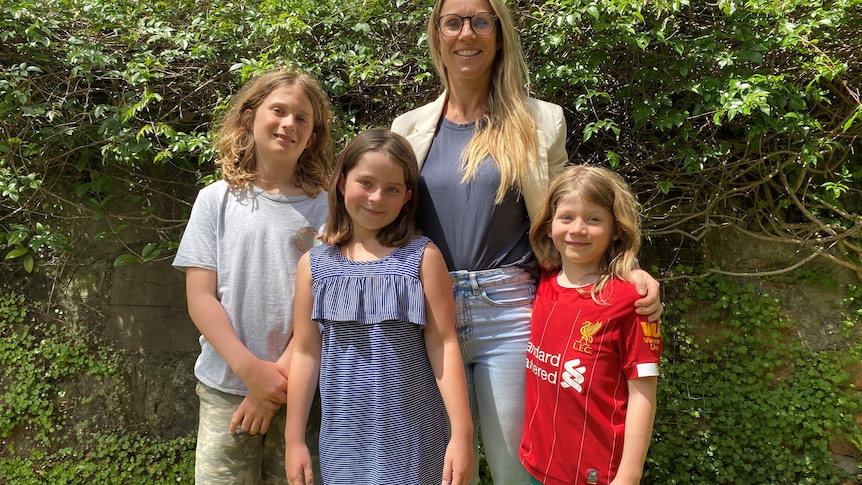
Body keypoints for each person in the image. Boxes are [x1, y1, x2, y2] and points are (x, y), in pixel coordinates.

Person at [391, 0, 663, 482]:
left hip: (511, 313)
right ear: (437, 34)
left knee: (517, 470)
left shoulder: (541, 121)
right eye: (452, 22)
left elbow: (569, 211)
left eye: (479, 20)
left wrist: (628, 266)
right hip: (429, 317)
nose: (466, 33)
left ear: (498, 32)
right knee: (442, 471)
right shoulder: (407, 129)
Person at [284, 128, 474, 485]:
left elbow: (444, 343)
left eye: (391, 189)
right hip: (344, 440)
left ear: (407, 197)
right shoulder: (313, 265)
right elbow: (306, 352)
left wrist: (461, 434)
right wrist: (293, 440)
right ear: (341, 183)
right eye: (366, 182)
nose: (376, 197)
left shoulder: (423, 258)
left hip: (414, 439)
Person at [172, 69, 333, 484]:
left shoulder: (330, 208)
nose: (288, 124)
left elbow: (328, 301)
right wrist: (251, 373)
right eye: (278, 110)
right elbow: (201, 297)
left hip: (302, 391)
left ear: (313, 136)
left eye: (302, 119)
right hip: (227, 385)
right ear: (250, 117)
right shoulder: (215, 200)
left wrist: (276, 380)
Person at [520, 165, 661, 485]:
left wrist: (629, 475)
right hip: (537, 467)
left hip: (595, 475)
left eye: (594, 219)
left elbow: (643, 394)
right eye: (566, 217)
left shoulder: (631, 301)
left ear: (616, 229)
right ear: (548, 225)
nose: (577, 229)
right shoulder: (540, 281)